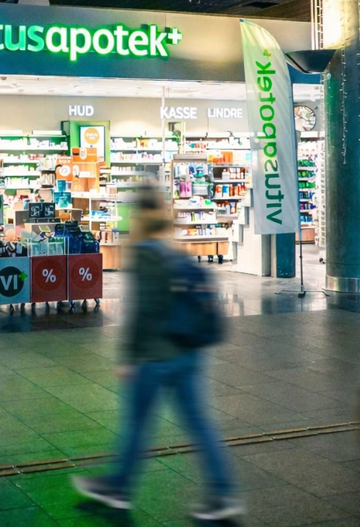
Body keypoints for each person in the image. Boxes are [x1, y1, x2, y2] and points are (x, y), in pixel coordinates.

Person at [71, 182, 243, 522]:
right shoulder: (173, 250)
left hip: (156, 356)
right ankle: (223, 492)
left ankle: (118, 487)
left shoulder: (145, 255)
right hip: (189, 352)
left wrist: (128, 358)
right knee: (199, 424)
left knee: (136, 425)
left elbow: (143, 313)